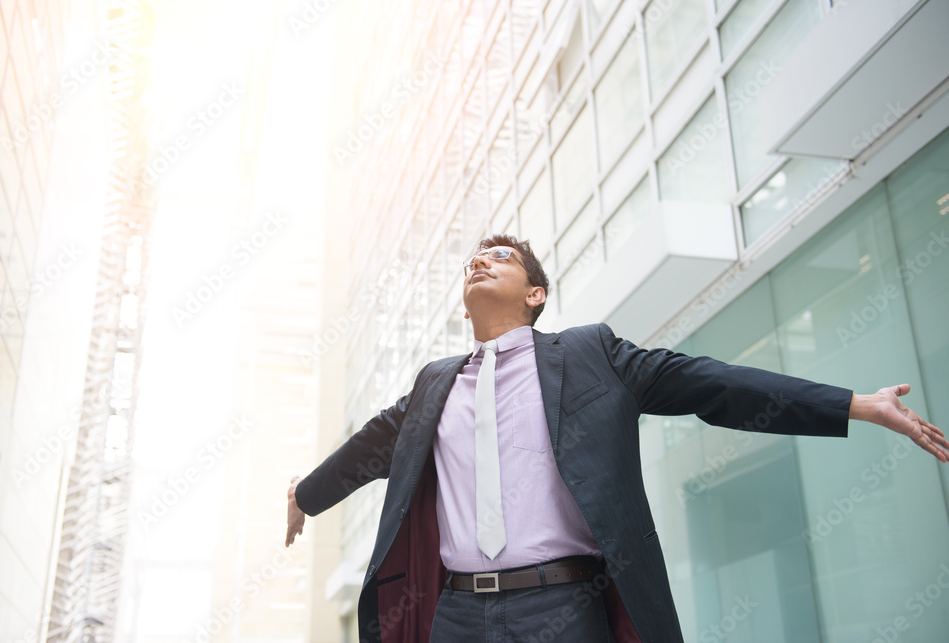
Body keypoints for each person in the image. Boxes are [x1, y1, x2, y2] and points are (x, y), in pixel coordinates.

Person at [286, 234, 948, 642]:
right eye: (473, 261)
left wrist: (853, 405)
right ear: (465, 305)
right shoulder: (436, 384)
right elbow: (369, 448)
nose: (481, 262)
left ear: (536, 293)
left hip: (563, 608)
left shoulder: (590, 354)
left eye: (502, 256)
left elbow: (709, 384)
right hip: (458, 616)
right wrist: (305, 496)